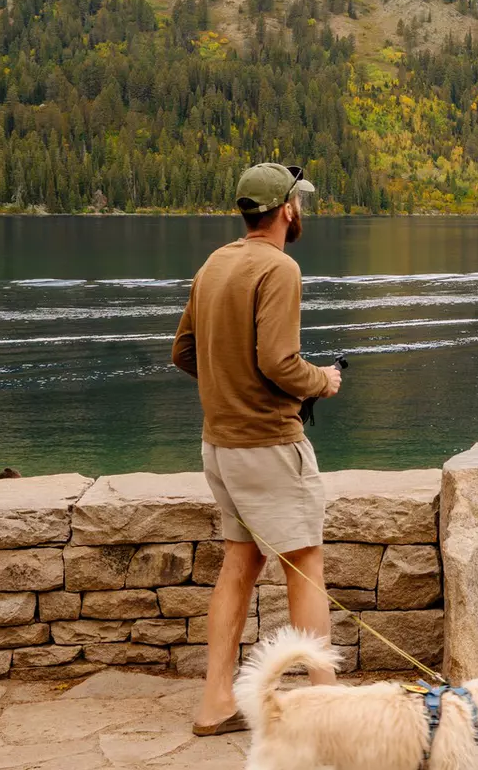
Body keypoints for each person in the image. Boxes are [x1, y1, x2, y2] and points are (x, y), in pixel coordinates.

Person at [171, 163, 342, 736]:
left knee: (240, 564)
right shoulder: (280, 267)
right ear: (287, 209)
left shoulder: (213, 264)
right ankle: (327, 712)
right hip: (268, 443)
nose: (303, 212)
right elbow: (278, 362)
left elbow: (184, 353)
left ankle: (216, 702)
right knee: (306, 563)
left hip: (218, 444)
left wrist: (226, 388)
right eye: (301, 204)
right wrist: (322, 381)